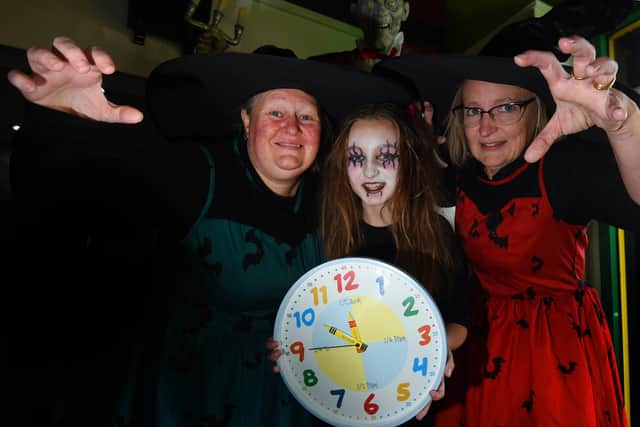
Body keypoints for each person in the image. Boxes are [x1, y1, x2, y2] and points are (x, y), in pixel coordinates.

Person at [7, 36, 411, 426]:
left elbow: (368, 293)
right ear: (245, 119)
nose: (292, 128)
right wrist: (59, 123)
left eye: (306, 116)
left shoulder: (332, 199)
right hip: (189, 396)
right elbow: (63, 202)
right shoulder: (192, 173)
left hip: (290, 400)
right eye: (275, 113)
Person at [374, 35, 640, 426]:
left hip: (553, 351)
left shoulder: (563, 169)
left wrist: (624, 125)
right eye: (473, 111)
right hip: (475, 346)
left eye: (506, 108)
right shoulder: (459, 178)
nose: (486, 127)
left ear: (535, 110)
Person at [267, 103, 471, 425]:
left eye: (386, 157)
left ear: (409, 162)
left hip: (407, 402)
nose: (370, 171)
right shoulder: (325, 233)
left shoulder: (435, 232)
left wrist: (433, 350)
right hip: (337, 399)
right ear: (341, 166)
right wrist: (290, 345)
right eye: (357, 158)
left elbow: (462, 319)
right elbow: (301, 315)